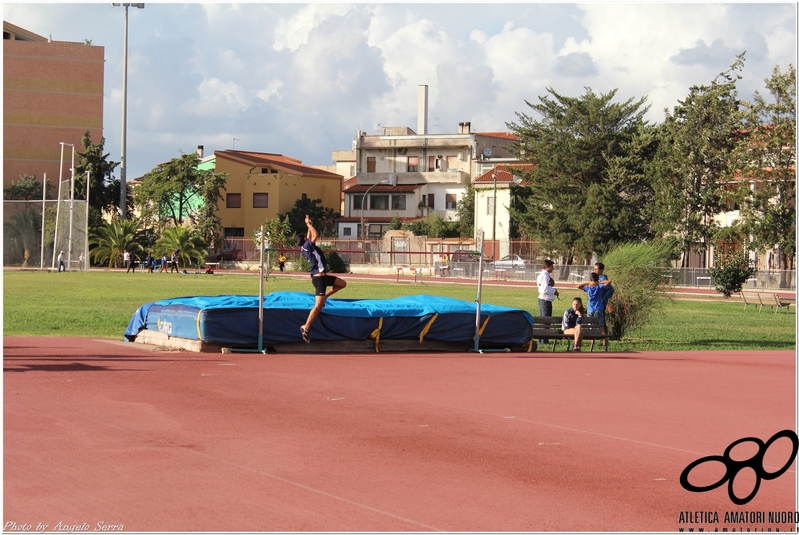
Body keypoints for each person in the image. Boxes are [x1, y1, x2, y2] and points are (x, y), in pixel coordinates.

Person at [299, 214, 347, 343]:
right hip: (319, 279)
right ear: (305, 240)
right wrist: (309, 225)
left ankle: (325, 296)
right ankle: (306, 326)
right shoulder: (308, 246)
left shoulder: (305, 247)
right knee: (318, 305)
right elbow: (315, 236)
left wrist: (307, 223)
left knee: (342, 283)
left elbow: (309, 236)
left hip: (323, 277)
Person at [577, 272, 613, 347]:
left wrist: (588, 283)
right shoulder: (599, 287)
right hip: (598, 309)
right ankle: (604, 343)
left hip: (590, 309)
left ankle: (592, 343)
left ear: (590, 279)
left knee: (591, 327)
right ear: (597, 280)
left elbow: (578, 286)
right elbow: (609, 282)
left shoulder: (588, 288)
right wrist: (599, 282)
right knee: (601, 326)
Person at [536, 259, 559, 344]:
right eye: (551, 267)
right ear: (547, 267)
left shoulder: (542, 275)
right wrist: (554, 291)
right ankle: (543, 340)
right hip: (545, 300)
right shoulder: (545, 276)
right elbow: (545, 290)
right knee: (546, 321)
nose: (553, 268)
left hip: (543, 300)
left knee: (543, 320)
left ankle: (541, 339)